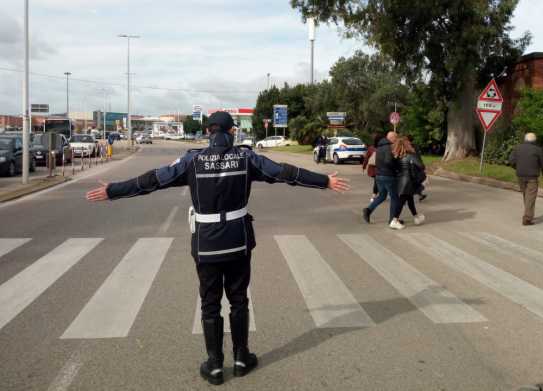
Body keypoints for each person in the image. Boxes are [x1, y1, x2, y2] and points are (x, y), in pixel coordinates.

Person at [85, 112, 350, 386]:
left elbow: (153, 180)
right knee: (239, 300)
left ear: (209, 131)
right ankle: (240, 357)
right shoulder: (247, 158)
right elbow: (284, 173)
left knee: (210, 303)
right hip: (238, 240)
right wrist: (324, 181)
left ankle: (213, 365)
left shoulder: (192, 160)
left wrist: (115, 190)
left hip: (207, 242)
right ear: (232, 131)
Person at [362, 131, 403, 229]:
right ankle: (392, 220)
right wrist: (397, 165)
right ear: (391, 138)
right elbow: (389, 161)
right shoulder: (389, 147)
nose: (396, 140)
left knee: (382, 196)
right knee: (395, 198)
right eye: (395, 138)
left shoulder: (379, 147)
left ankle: (368, 210)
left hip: (379, 175)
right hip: (388, 175)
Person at [509, 132, 543, 226]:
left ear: (525, 139)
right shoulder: (538, 150)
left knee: (526, 195)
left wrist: (517, 168)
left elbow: (511, 161)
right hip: (532, 177)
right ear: (534, 141)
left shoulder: (517, 148)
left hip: (520, 176)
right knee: (530, 197)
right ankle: (527, 218)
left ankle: (528, 213)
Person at [394, 137, 426, 226]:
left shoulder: (398, 156)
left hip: (401, 180)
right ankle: (394, 220)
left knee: (409, 199)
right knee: (401, 201)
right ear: (406, 145)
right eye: (409, 143)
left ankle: (416, 217)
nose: (410, 144)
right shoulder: (410, 155)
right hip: (408, 181)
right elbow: (421, 166)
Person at [362, 133, 383, 203]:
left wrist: (364, 167)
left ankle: (375, 195)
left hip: (373, 169)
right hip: (381, 168)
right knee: (377, 182)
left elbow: (366, 158)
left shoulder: (371, 148)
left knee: (377, 181)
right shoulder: (383, 147)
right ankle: (375, 195)